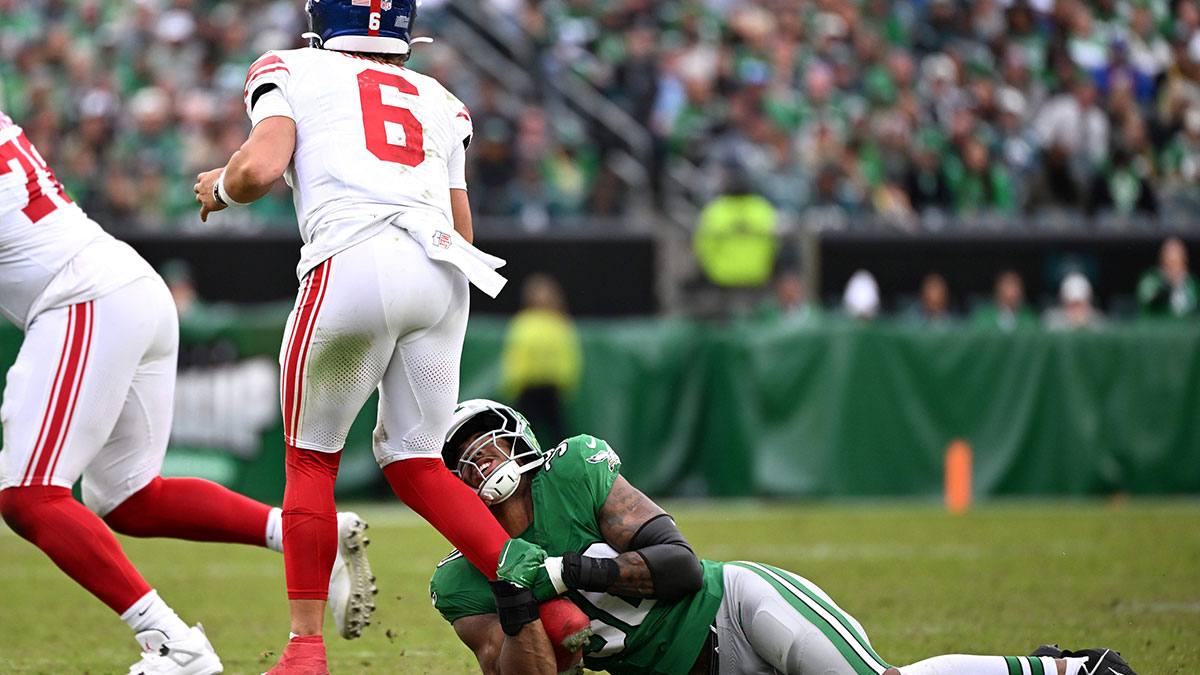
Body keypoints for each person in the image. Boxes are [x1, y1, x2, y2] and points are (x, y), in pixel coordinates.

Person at [192, 2, 566, 672]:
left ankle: (306, 649)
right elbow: (463, 226)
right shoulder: (444, 100)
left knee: (311, 461)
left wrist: (218, 187)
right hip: (443, 272)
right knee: (416, 460)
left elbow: (256, 170)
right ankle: (546, 597)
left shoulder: (292, 68)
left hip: (353, 261)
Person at [0, 110, 373, 675]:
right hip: (122, 285)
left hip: (78, 295)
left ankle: (174, 644)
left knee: (29, 495)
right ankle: (302, 541)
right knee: (127, 497)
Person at [429, 400, 1141, 675]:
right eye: (463, 459)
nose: (481, 463)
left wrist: (557, 570)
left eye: (487, 444)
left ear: (519, 438)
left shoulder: (575, 471)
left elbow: (678, 565)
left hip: (734, 607)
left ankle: (1071, 670)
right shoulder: (458, 582)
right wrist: (517, 593)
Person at [500, 274, 582, 444]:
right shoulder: (523, 323)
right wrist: (514, 382)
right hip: (527, 389)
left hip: (551, 389)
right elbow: (515, 356)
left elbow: (568, 356)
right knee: (523, 435)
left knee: (559, 434)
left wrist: (564, 382)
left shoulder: (559, 324)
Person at [1136, 236, 1198, 318]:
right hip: (1156, 328)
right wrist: (1168, 285)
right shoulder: (1151, 279)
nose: (1174, 268)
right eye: (1170, 263)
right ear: (1162, 260)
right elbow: (1148, 299)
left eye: (1177, 263)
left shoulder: (1191, 282)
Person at [971, 270, 1038, 331]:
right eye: (1008, 285)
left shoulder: (1029, 316)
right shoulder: (983, 316)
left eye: (1016, 286)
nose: (1014, 291)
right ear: (998, 288)